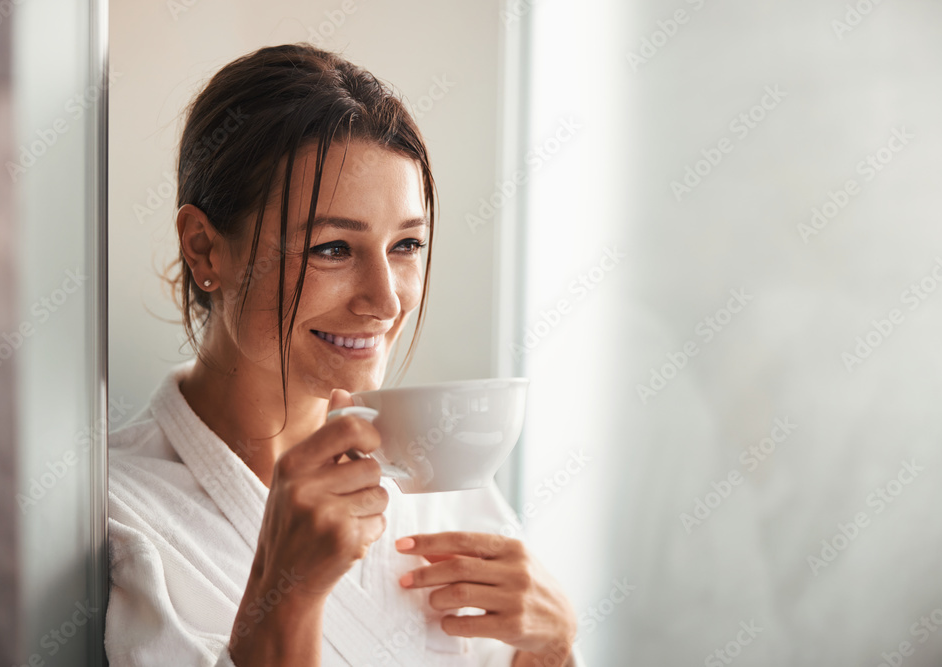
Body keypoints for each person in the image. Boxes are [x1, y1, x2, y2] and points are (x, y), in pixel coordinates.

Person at [105, 44, 584, 666]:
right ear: (203, 249)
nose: (385, 300)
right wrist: (288, 595)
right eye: (332, 248)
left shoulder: (441, 482)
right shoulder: (112, 519)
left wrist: (550, 649)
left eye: (407, 244)